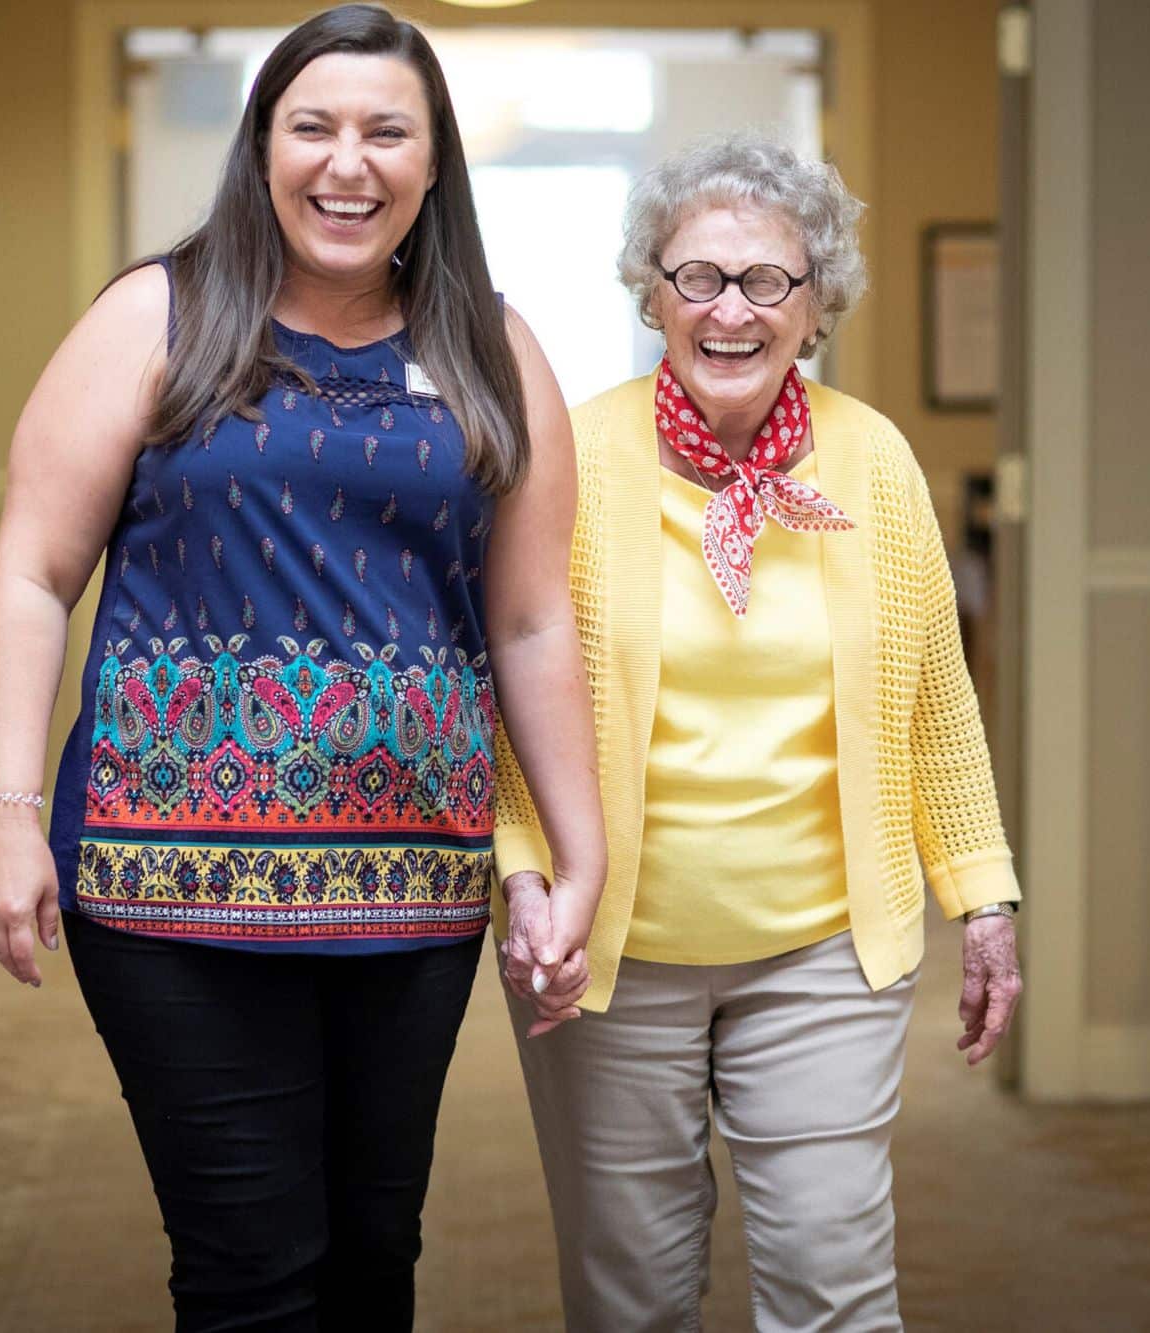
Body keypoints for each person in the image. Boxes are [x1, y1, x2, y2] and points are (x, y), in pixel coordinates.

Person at [0, 7, 605, 1328]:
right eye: (312, 127)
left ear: (434, 167)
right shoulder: (161, 313)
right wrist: (5, 816)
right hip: (162, 883)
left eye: (386, 132)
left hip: (411, 887)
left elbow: (534, 622)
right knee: (251, 1267)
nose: (346, 162)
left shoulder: (497, 346)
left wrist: (576, 852)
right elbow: (33, 573)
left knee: (375, 1257)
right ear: (263, 149)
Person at [491, 131, 1024, 1332]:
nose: (729, 310)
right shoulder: (570, 454)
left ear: (815, 303)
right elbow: (510, 700)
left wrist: (981, 898)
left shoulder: (872, 461)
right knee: (628, 1296)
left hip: (823, 948)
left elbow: (936, 696)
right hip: (609, 955)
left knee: (834, 1287)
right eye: (697, 278)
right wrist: (526, 880)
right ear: (651, 291)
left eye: (766, 281)